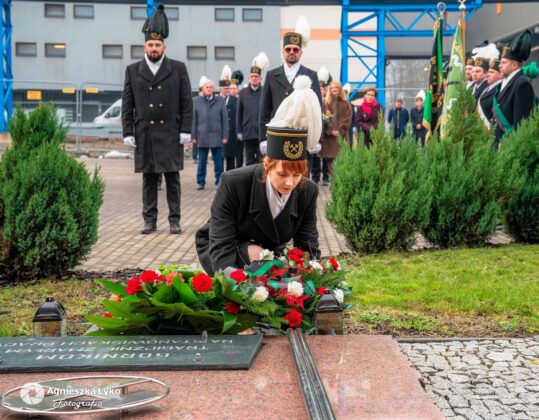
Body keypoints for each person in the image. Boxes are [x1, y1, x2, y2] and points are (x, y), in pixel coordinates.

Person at [196, 75, 322, 275]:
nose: (290, 183)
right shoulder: (233, 183)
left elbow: (307, 245)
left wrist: (311, 276)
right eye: (282, 174)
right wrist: (232, 280)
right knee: (258, 256)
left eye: (297, 174)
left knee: (270, 263)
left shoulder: (308, 191)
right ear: (267, 164)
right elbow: (220, 243)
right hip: (223, 246)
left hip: (268, 253)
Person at [122, 4, 192, 235]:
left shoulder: (178, 68)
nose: (154, 48)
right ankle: (149, 220)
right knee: (149, 180)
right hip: (145, 132)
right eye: (150, 45)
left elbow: (186, 102)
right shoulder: (133, 70)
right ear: (144, 46)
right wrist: (128, 131)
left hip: (170, 132)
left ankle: (174, 220)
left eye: (157, 45)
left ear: (164, 46)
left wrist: (186, 129)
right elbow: (127, 104)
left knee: (173, 179)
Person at [259, 16, 322, 172]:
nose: (291, 52)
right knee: (279, 174)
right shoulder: (271, 75)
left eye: (295, 49)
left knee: (301, 176)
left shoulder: (311, 75)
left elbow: (317, 111)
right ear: (283, 52)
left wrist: (318, 139)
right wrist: (262, 138)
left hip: (301, 135)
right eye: (288, 49)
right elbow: (264, 109)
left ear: (301, 52)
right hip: (277, 135)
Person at [493, 30, 537, 148]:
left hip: (508, 146)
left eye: (504, 62)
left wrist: (509, 145)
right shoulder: (507, 82)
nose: (499, 65)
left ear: (514, 65)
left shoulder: (522, 83)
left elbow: (521, 123)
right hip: (498, 144)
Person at [191, 79, 228, 190]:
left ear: (213, 89)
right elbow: (193, 120)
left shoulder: (220, 101)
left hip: (217, 135)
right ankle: (200, 182)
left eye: (211, 87)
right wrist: (193, 136)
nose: (209, 89)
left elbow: (225, 119)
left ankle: (219, 182)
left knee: (218, 162)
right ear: (203, 89)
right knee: (201, 162)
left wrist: (225, 135)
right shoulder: (196, 101)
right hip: (202, 136)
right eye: (207, 87)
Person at [318, 80, 352, 185]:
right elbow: (322, 119)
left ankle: (341, 183)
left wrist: (340, 131)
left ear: (339, 89)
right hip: (329, 139)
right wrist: (330, 130)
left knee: (342, 162)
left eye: (336, 87)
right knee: (330, 163)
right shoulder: (325, 103)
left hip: (342, 137)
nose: (334, 89)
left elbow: (347, 119)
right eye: (332, 88)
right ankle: (335, 184)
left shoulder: (345, 103)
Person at [237, 52, 269, 166]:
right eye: (252, 76)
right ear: (249, 78)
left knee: (262, 161)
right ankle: (249, 178)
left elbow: (268, 111)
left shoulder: (265, 91)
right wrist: (239, 131)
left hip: (261, 133)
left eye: (256, 76)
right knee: (249, 161)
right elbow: (239, 113)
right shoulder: (242, 93)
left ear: (261, 78)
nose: (254, 78)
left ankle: (261, 178)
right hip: (248, 132)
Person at [311, 66, 331, 184]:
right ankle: (315, 177)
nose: (321, 91)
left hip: (326, 132)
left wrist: (327, 119)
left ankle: (326, 177)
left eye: (323, 89)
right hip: (316, 131)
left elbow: (331, 117)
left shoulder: (329, 102)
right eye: (319, 88)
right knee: (315, 156)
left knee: (326, 156)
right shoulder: (313, 100)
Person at [477, 44, 503, 129]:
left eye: (492, 72)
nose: (488, 74)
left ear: (500, 75)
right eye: (488, 72)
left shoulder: (500, 88)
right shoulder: (487, 88)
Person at [219, 65, 239, 172]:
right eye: (225, 88)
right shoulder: (216, 101)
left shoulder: (235, 101)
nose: (227, 90)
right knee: (219, 159)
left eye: (228, 88)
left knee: (231, 160)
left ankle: (230, 178)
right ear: (220, 89)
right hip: (219, 134)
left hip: (231, 134)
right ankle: (220, 178)